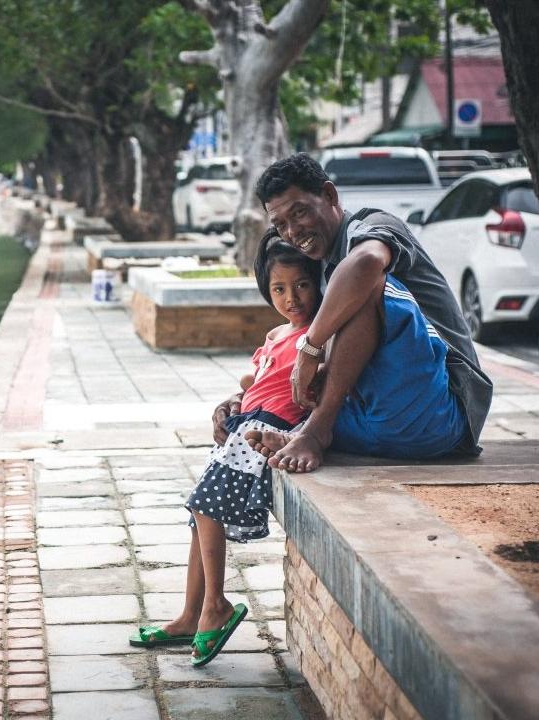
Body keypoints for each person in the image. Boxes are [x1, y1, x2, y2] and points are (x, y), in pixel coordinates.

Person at [226, 153, 492, 472]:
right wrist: (242, 401)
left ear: (329, 195)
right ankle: (311, 430)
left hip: (438, 412)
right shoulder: (320, 265)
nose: (292, 231)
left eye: (299, 213)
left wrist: (310, 348)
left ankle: (315, 430)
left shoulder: (375, 226)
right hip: (364, 422)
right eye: (280, 224)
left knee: (365, 282)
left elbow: (366, 264)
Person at [129, 239, 322, 667]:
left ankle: (215, 604)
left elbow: (315, 393)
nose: (291, 298)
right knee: (200, 520)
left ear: (320, 282)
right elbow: (256, 383)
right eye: (279, 289)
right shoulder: (276, 335)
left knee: (205, 508)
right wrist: (234, 400)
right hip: (241, 429)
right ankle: (189, 615)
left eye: (302, 285)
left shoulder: (317, 335)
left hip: (263, 437)